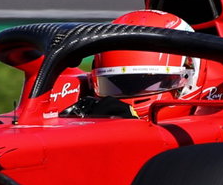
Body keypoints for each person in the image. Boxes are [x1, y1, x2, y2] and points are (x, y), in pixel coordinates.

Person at [69, 9, 202, 117]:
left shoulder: (211, 106)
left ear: (189, 74)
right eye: (118, 84)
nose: (130, 94)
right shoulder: (79, 94)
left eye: (149, 83)